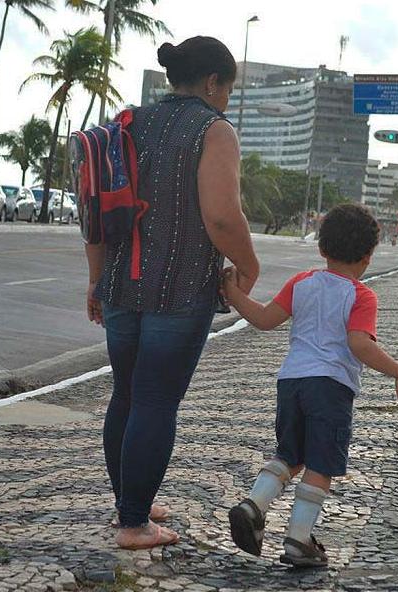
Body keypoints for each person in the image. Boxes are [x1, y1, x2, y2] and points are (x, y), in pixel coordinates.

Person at [84, 36, 260, 550]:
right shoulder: (214, 129)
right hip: (180, 291)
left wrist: (95, 279)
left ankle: (130, 501)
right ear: (212, 83)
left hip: (120, 283)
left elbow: (97, 210)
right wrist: (249, 263)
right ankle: (134, 523)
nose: (227, 99)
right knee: (157, 400)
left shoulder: (127, 124)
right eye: (228, 89)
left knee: (128, 394)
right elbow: (223, 217)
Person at [221, 204, 398, 567]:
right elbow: (359, 343)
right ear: (367, 256)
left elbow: (264, 319)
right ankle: (298, 539)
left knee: (291, 454)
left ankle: (254, 504)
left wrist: (233, 295)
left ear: (322, 249)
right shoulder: (361, 296)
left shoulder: (301, 283)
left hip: (291, 382)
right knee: (321, 464)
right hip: (330, 388)